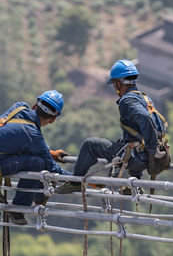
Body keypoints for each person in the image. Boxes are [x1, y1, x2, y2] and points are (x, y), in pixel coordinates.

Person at [63, 59, 167, 191]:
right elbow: (144, 130)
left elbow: (145, 118)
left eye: (114, 83)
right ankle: (134, 183)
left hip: (139, 158)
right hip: (145, 159)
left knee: (90, 144)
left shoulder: (127, 100)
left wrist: (152, 149)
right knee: (123, 144)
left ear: (118, 83)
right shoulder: (145, 98)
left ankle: (75, 183)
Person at [0, 90, 69, 225]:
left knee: (38, 157)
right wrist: (80, 179)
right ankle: (23, 207)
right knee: (38, 163)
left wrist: (49, 152)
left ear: (35, 106)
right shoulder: (33, 135)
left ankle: (40, 196)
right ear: (52, 119)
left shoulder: (20, 107)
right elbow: (54, 168)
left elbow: (14, 137)